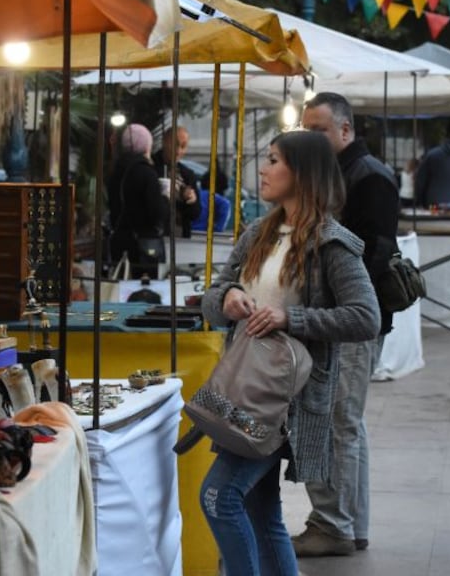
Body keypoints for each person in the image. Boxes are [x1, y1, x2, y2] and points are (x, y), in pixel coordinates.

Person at [199, 129, 380, 575]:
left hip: (288, 404)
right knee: (263, 513)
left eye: (274, 160)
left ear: (303, 173)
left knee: (219, 498)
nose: (263, 168)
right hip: (243, 391)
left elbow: (365, 316)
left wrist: (290, 319)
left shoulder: (332, 243)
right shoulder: (259, 232)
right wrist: (225, 300)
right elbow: (215, 294)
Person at [291, 91, 400, 557]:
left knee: (338, 421)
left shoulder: (368, 177)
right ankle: (348, 525)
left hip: (351, 323)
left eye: (318, 129)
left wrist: (334, 307)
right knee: (344, 422)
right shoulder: (332, 174)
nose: (311, 138)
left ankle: (335, 524)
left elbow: (371, 255)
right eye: (306, 129)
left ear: (345, 130)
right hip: (337, 320)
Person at [107, 124, 169, 278]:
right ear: (147, 146)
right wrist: (165, 198)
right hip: (143, 247)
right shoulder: (146, 173)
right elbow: (157, 213)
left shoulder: (115, 171)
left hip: (119, 242)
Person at [153, 125, 200, 238]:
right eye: (175, 144)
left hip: (181, 235)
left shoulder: (187, 174)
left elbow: (196, 213)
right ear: (164, 142)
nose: (178, 151)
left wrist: (191, 200)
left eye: (183, 146)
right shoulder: (150, 167)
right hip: (155, 234)